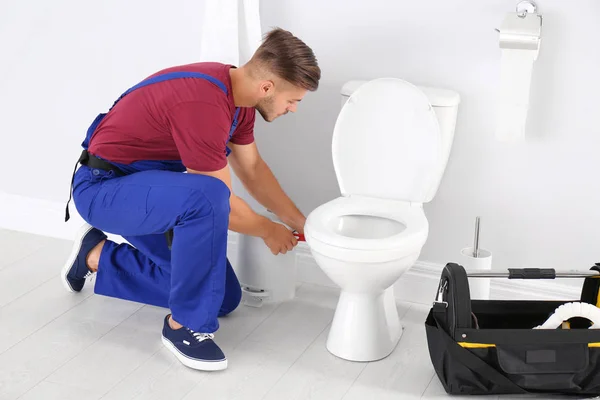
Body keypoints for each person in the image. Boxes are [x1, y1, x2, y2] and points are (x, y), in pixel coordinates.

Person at [60, 27, 320, 371]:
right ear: (267, 87)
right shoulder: (203, 102)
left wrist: (300, 223)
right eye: (293, 100)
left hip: (149, 193)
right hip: (104, 190)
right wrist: (266, 230)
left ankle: (95, 256)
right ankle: (183, 326)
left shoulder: (238, 99)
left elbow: (253, 169)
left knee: (222, 297)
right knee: (207, 195)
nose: (293, 109)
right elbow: (216, 202)